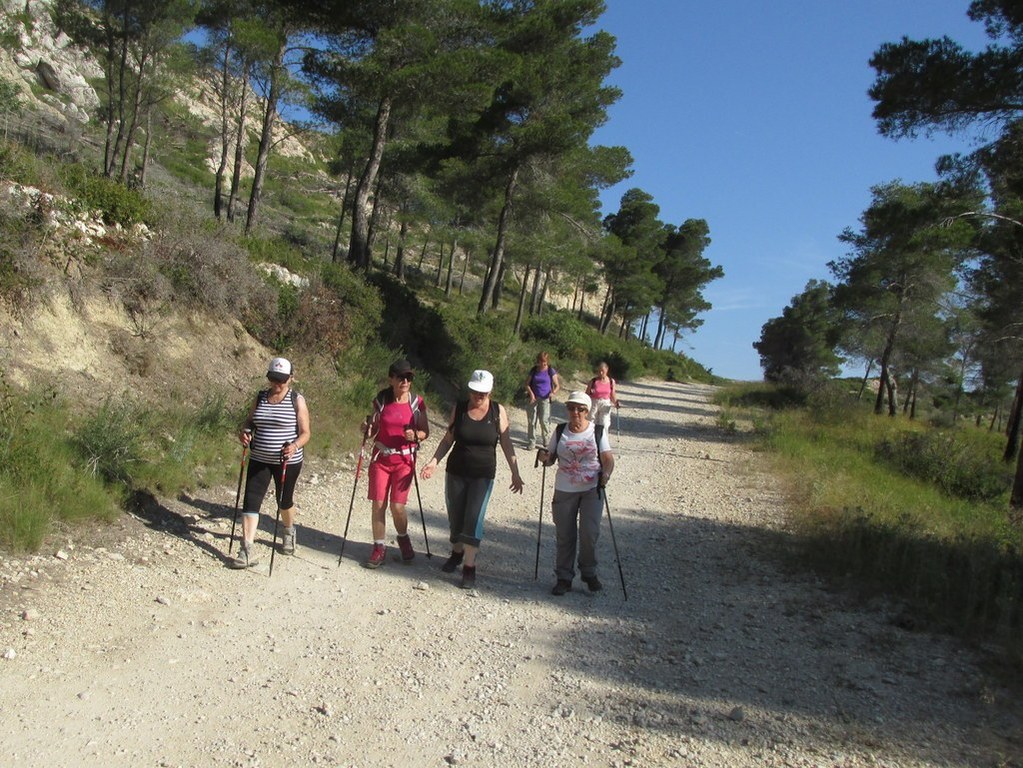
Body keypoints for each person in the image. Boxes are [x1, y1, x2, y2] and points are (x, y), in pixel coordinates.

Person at [420, 369, 524, 589]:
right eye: (475, 392)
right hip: (456, 470)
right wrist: (434, 461)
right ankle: (457, 553)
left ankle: (469, 566)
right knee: (456, 516)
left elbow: (506, 442)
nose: (478, 396)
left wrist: (515, 471)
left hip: (483, 474)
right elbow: (448, 439)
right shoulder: (459, 409)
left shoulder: (497, 411)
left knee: (474, 517)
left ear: (490, 392)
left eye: (483, 393)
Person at [230, 357, 311, 569]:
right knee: (251, 500)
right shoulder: (261, 397)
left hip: (287, 461)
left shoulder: (296, 399)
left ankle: (288, 530)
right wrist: (245, 433)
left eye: (281, 380)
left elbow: (305, 433)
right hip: (259, 458)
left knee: (284, 500)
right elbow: (250, 421)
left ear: (291, 378)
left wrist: (294, 446)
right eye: (273, 379)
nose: (277, 383)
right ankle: (246, 548)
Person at [537, 391, 614, 595]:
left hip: (592, 488)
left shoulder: (597, 431)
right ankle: (564, 577)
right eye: (571, 408)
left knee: (589, 533)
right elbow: (550, 458)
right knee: (565, 535)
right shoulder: (561, 430)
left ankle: (588, 572)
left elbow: (608, 458)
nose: (575, 412)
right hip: (564, 489)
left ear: (588, 411)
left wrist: (606, 474)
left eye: (580, 409)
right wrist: (544, 457)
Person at [363, 359, 430, 569]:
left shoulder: (416, 403)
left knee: (397, 506)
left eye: (408, 377)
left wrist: (415, 435)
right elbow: (373, 430)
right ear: (391, 379)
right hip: (381, 459)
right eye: (400, 377)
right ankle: (379, 547)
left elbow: (425, 432)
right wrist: (366, 428)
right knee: (379, 504)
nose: (405, 381)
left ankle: (402, 537)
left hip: (403, 460)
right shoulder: (381, 400)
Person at [524, 351, 560, 449]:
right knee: (532, 421)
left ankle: (546, 439)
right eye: (541, 361)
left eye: (545, 361)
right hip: (533, 399)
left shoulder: (550, 371)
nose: (543, 363)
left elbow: (557, 385)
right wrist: (531, 394)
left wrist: (552, 393)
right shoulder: (534, 370)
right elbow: (527, 384)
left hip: (545, 398)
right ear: (538, 361)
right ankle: (531, 441)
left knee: (544, 420)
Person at [585, 361, 620, 437]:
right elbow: (587, 394)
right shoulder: (593, 381)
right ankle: (591, 439)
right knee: (591, 421)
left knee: (605, 423)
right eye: (599, 371)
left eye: (602, 371)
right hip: (594, 402)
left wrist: (616, 402)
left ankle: (603, 440)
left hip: (605, 402)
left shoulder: (611, 381)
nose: (600, 373)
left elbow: (612, 394)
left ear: (607, 370)